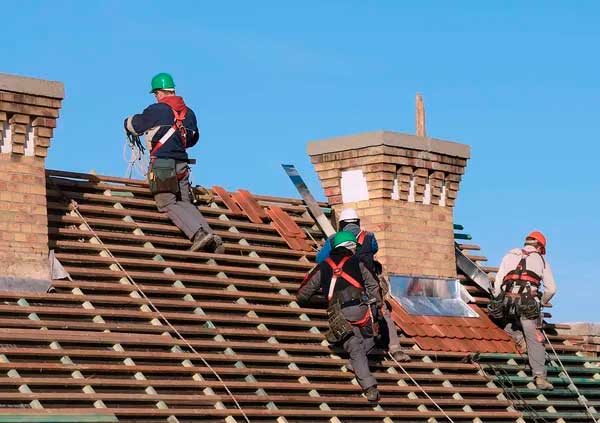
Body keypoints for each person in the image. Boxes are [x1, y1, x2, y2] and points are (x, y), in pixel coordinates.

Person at [124, 73, 223, 253]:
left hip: (162, 164)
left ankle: (198, 234)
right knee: (184, 201)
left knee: (167, 203)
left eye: (156, 94)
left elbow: (136, 126)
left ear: (160, 92)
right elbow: (193, 139)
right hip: (182, 164)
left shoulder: (158, 110)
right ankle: (212, 237)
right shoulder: (189, 113)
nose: (156, 97)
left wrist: (127, 123)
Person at [297, 231, 383, 402]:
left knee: (355, 348)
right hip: (363, 309)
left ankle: (369, 387)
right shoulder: (358, 262)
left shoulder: (323, 266)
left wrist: (324, 298)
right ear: (350, 247)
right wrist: (376, 307)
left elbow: (302, 295)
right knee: (371, 338)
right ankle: (361, 371)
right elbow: (374, 286)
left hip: (339, 314)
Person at [317, 208, 411, 362]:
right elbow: (374, 249)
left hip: (348, 288)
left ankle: (348, 347)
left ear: (341, 225)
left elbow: (320, 258)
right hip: (369, 284)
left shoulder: (335, 239)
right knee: (382, 312)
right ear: (357, 223)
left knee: (344, 314)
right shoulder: (369, 237)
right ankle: (396, 350)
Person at [492, 231, 556, 390]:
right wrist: (541, 301)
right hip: (528, 303)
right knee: (534, 338)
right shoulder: (541, 260)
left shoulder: (509, 255)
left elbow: (498, 282)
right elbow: (551, 289)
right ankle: (540, 377)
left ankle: (519, 339)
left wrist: (500, 298)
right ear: (540, 247)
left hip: (506, 301)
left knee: (502, 321)